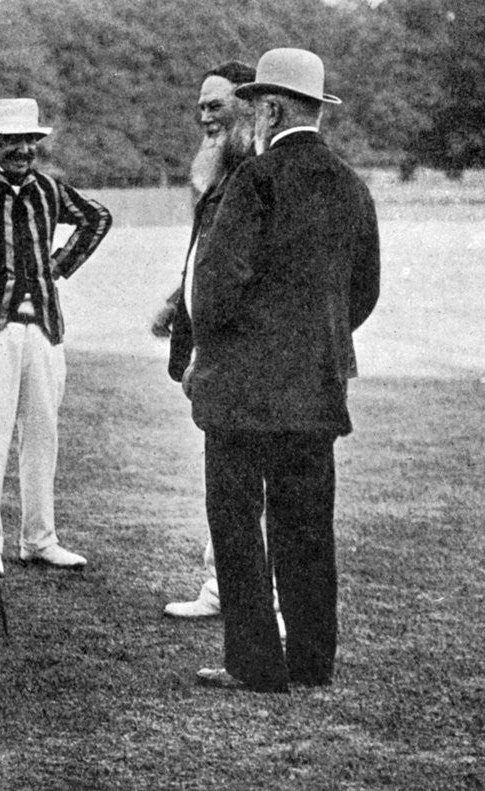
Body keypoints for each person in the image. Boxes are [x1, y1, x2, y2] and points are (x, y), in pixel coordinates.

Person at [188, 49, 380, 692]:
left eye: (256, 107)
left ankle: (255, 664)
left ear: (271, 108)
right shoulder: (352, 184)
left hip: (243, 390)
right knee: (307, 526)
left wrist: (211, 358)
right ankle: (312, 661)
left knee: (238, 524)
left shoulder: (256, 180)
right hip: (316, 387)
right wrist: (312, 342)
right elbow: (366, 292)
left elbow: (215, 292)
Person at [0, 98, 111, 576]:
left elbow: (97, 218)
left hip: (43, 326)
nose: (23, 149)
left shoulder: (48, 189)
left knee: (43, 436)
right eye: (13, 141)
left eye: (30, 141)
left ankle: (39, 539)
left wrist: (58, 268)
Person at [160, 60, 266, 622]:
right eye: (200, 105)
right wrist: (177, 301)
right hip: (213, 354)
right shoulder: (219, 175)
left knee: (247, 482)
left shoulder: (258, 178)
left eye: (216, 105)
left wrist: (209, 351)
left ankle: (258, 601)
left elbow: (251, 279)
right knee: (225, 477)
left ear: (248, 107)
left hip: (241, 359)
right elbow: (211, 260)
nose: (205, 116)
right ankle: (224, 585)